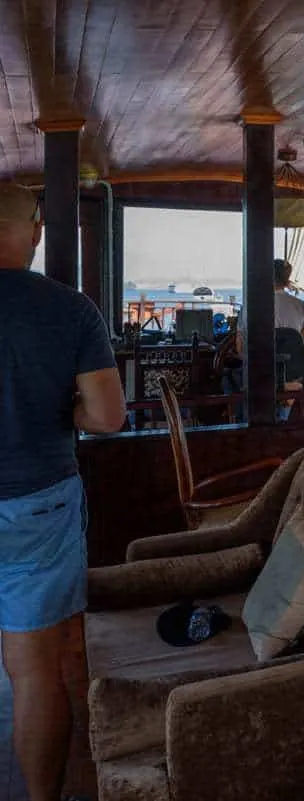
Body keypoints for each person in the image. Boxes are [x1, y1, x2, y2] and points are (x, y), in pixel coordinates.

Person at [0, 183, 126, 801]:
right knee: (33, 673)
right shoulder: (70, 310)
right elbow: (106, 417)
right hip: (36, 505)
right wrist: (60, 410)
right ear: (34, 232)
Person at [236, 259, 304, 420]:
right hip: (290, 376)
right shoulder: (302, 306)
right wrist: (284, 368)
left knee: (229, 381)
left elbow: (241, 348)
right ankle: (284, 396)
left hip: (259, 377)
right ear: (287, 280)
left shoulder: (250, 306)